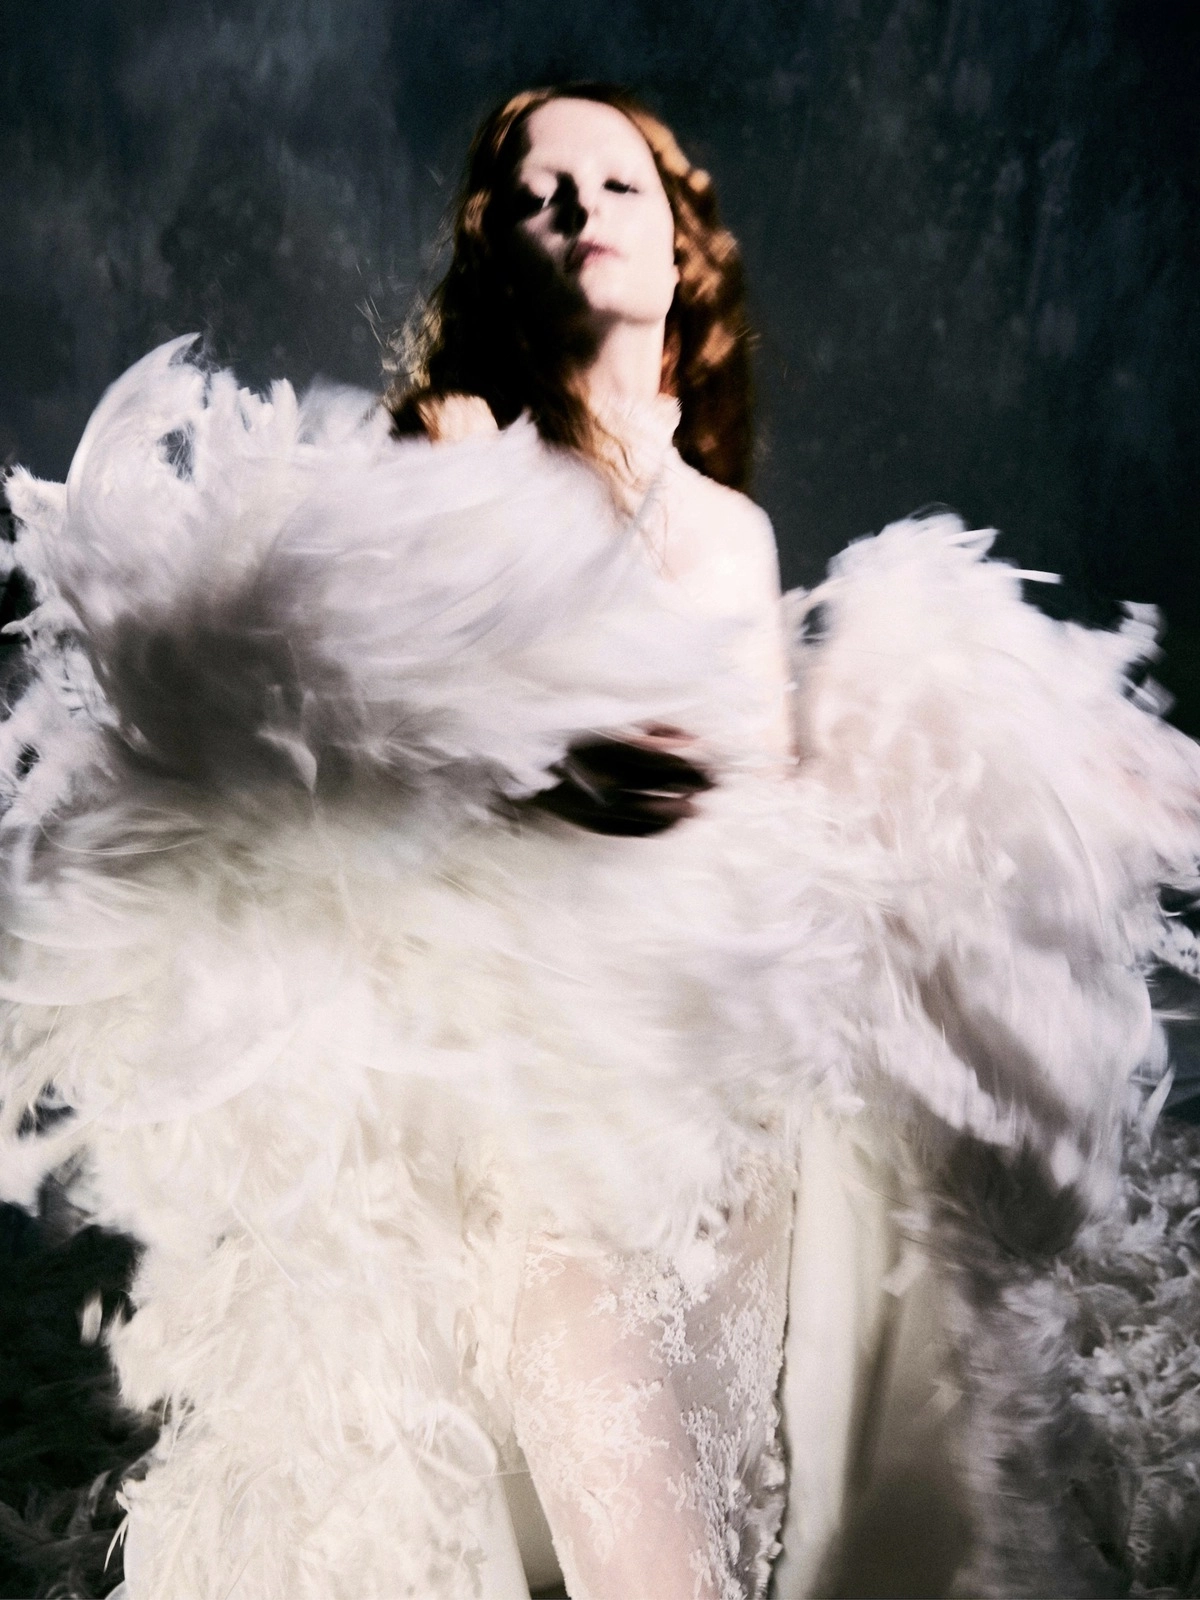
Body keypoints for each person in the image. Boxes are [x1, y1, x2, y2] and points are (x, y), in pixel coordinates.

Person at [1, 82, 1198, 1600]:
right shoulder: (452, 467)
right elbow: (369, 750)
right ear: (494, 250)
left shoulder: (731, 535)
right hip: (546, 1112)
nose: (578, 209)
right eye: (538, 189)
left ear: (684, 253)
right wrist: (542, 734)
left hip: (729, 1112)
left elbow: (767, 821)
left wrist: (998, 764)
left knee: (740, 1521)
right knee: (649, 1559)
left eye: (618, 185)